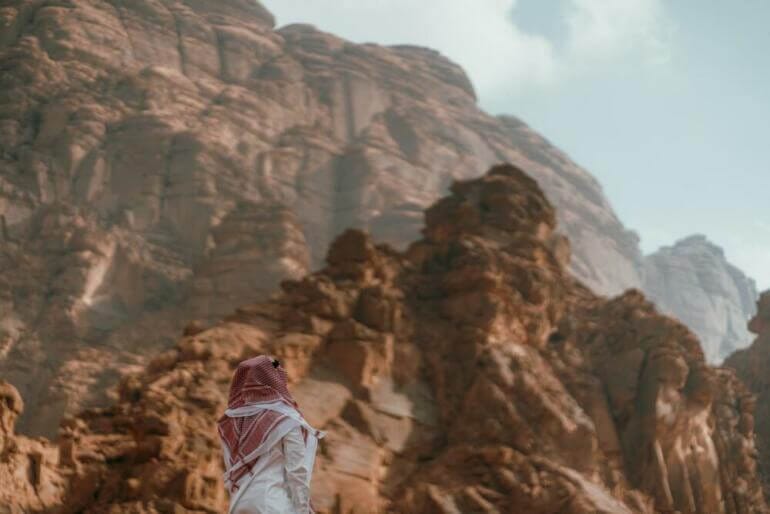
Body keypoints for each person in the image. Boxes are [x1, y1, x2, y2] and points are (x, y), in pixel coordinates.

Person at [218, 355, 325, 514]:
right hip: (273, 503)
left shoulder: (229, 422)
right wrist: (303, 509)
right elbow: (297, 472)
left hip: (239, 503)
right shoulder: (286, 421)